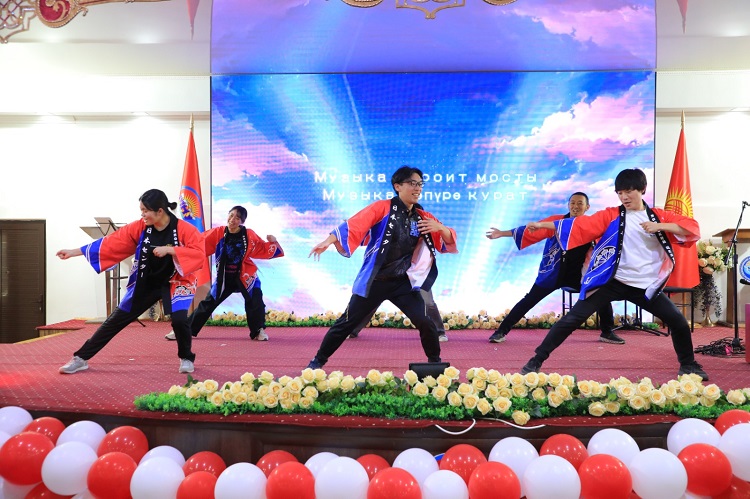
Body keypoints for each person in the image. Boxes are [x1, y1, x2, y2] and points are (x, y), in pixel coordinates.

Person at [519, 169, 708, 380]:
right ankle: (536, 360)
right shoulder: (612, 215)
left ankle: (688, 365)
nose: (624, 197)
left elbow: (692, 228)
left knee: (678, 322)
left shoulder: (659, 216)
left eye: (629, 191)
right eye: (620, 193)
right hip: (611, 281)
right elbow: (579, 225)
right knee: (572, 319)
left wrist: (659, 226)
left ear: (642, 190)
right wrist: (542, 225)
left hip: (644, 286)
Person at [306, 166, 458, 369]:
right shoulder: (382, 208)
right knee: (346, 323)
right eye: (412, 183)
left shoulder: (422, 216)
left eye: (420, 184)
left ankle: (435, 365)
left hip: (402, 283)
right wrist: (328, 241)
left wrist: (441, 228)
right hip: (375, 281)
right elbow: (355, 224)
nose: (417, 188)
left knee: (425, 321)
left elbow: (447, 239)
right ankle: (317, 362)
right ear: (398, 186)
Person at [57, 189, 206, 374]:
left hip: (176, 281)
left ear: (160, 211)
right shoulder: (140, 227)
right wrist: (74, 252)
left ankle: (186, 357)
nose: (142, 214)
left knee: (179, 320)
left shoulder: (185, 229)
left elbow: (198, 254)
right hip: (147, 281)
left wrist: (170, 250)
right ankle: (81, 358)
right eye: (141, 210)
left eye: (145, 211)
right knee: (116, 320)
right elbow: (112, 242)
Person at [485, 192, 620, 345]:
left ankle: (607, 332)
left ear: (587, 207)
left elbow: (608, 241)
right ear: (568, 205)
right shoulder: (557, 221)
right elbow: (531, 229)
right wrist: (502, 233)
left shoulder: (591, 224)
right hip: (553, 272)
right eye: (572, 203)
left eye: (580, 203)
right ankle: (500, 331)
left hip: (580, 275)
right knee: (529, 299)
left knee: (601, 294)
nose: (575, 206)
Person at [164, 205, 283, 342]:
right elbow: (199, 244)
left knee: (256, 299)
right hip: (225, 277)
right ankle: (183, 331)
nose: (233, 219)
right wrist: (179, 249)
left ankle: (258, 330)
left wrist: (273, 241)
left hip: (245, 275)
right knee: (209, 302)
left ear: (242, 221)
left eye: (237, 218)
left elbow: (262, 248)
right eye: (231, 215)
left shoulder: (249, 234)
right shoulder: (218, 233)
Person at [347, 288, 448, 342]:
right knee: (371, 302)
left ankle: (439, 332)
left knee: (428, 303)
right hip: (389, 272)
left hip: (416, 270)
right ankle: (352, 330)